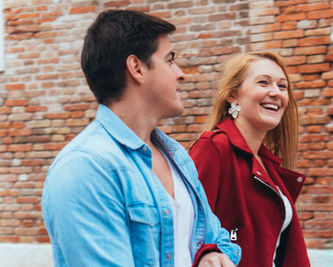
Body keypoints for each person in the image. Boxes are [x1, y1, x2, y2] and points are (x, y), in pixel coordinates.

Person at [41, 10, 241, 267]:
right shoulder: (85, 168)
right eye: (169, 60)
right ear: (136, 68)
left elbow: (219, 238)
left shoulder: (176, 155)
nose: (181, 73)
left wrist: (210, 254)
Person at [189, 51, 310, 267]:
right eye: (263, 82)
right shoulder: (214, 148)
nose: (276, 92)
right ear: (232, 95)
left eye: (282, 86)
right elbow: (190, 228)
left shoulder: (268, 165)